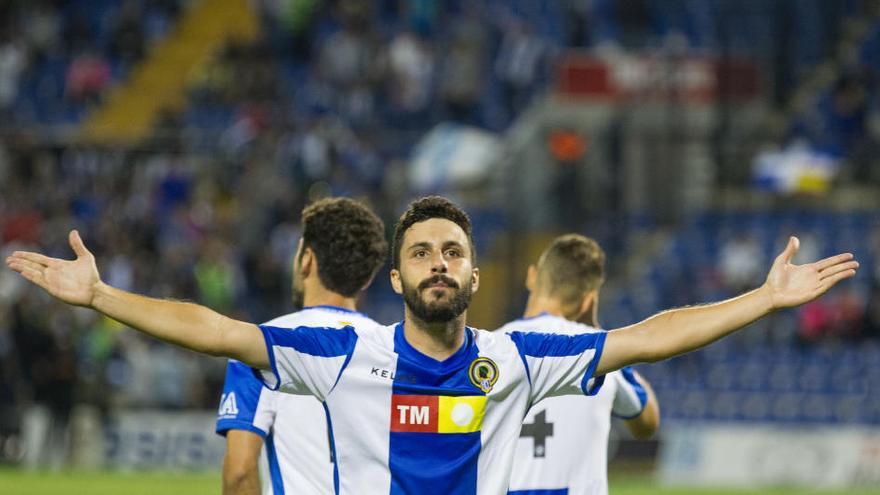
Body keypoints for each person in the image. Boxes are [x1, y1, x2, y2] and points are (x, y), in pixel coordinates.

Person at [6, 196, 858, 495]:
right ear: (398, 280)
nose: (438, 264)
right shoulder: (341, 353)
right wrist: (103, 296)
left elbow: (646, 339)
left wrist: (762, 297)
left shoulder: (515, 361)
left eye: (452, 251)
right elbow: (215, 329)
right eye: (421, 253)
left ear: (476, 274)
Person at [216, 197, 387, 494]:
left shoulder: (261, 344)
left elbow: (240, 472)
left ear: (306, 259)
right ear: (368, 278)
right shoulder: (392, 350)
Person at [500, 234, 659, 495]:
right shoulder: (598, 355)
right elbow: (648, 422)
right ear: (588, 301)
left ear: (531, 276)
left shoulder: (490, 350)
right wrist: (598, 332)